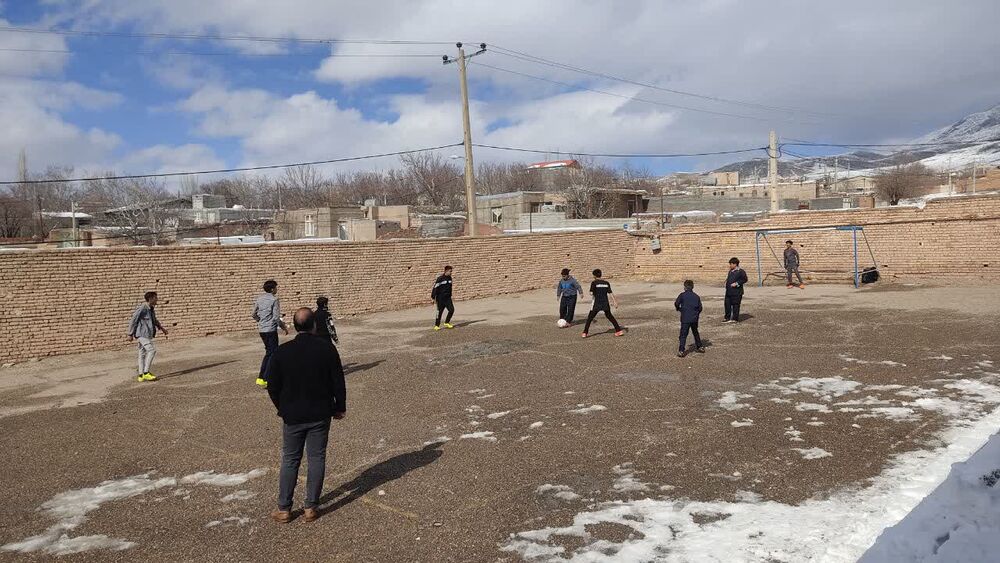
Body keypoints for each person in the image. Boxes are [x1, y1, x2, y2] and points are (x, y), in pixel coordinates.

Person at [267, 307, 347, 524]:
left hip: (292, 415)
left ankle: (284, 508)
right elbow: (337, 381)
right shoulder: (327, 349)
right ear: (314, 326)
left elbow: (272, 385)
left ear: (294, 326)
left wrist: (282, 407)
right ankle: (311, 506)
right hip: (320, 413)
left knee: (290, 459)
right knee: (316, 457)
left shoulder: (282, 352)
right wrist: (340, 406)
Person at [253, 280, 289, 388]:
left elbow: (253, 314)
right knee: (272, 353)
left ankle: (262, 378)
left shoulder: (259, 299)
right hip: (270, 330)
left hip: (262, 330)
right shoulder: (274, 299)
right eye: (276, 287)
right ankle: (265, 378)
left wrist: (260, 321)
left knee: (269, 352)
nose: (277, 289)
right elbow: (276, 317)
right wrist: (284, 327)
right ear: (272, 289)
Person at [127, 291, 168, 382]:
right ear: (150, 299)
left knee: (142, 354)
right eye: (155, 298)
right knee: (152, 350)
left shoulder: (151, 309)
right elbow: (133, 320)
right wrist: (130, 334)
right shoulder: (143, 308)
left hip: (146, 334)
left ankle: (141, 375)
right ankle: (146, 373)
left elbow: (154, 321)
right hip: (141, 334)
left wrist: (162, 328)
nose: (157, 299)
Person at [582, 269, 625, 338]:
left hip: (596, 303)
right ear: (601, 274)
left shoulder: (594, 283)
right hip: (605, 303)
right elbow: (610, 293)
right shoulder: (606, 283)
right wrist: (615, 302)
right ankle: (619, 330)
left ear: (594, 276)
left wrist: (592, 293)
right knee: (610, 316)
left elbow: (591, 293)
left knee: (590, 318)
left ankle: (585, 333)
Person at [674, 280, 705, 357]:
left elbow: (677, 303)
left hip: (685, 318)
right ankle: (699, 346)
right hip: (694, 318)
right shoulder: (696, 296)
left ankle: (681, 350)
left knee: (683, 335)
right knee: (695, 332)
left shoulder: (682, 295)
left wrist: (679, 309)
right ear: (692, 287)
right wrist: (696, 314)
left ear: (685, 287)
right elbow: (700, 308)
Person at [724, 257, 748, 323]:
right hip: (728, 292)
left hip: (737, 292)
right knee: (727, 305)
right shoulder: (730, 271)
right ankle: (727, 318)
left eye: (731, 264)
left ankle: (735, 319)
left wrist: (737, 283)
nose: (730, 265)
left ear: (735, 264)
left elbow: (745, 279)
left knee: (735, 305)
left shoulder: (741, 271)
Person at [431, 265, 455, 331]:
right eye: (450, 271)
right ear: (446, 271)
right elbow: (435, 288)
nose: (451, 273)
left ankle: (447, 322)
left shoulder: (450, 278)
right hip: (440, 299)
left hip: (448, 298)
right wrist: (433, 298)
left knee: (451, 310)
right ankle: (436, 325)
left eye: (451, 271)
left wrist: (450, 295)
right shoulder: (440, 279)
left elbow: (450, 288)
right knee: (439, 312)